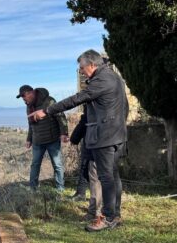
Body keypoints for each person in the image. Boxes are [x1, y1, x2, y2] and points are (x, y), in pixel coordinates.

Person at [28, 50, 128, 232]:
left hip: (105, 136)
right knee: (112, 176)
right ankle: (115, 214)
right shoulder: (114, 78)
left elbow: (77, 99)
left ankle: (108, 217)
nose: (81, 71)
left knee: (106, 177)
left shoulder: (102, 80)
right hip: (115, 134)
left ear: (92, 64)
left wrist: (47, 111)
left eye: (82, 67)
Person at [17, 85, 69, 192]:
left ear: (31, 93)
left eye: (24, 96)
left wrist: (64, 133)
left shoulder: (49, 101)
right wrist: (29, 139)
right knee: (35, 165)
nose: (23, 99)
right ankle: (33, 188)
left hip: (52, 139)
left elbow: (60, 116)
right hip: (37, 141)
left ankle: (60, 189)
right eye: (22, 97)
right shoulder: (29, 106)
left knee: (57, 165)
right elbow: (30, 124)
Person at [70, 113, 102, 221]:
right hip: (112, 142)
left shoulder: (92, 106)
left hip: (94, 144)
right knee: (109, 177)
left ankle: (95, 211)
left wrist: (74, 138)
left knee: (94, 176)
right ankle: (113, 212)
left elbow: (85, 121)